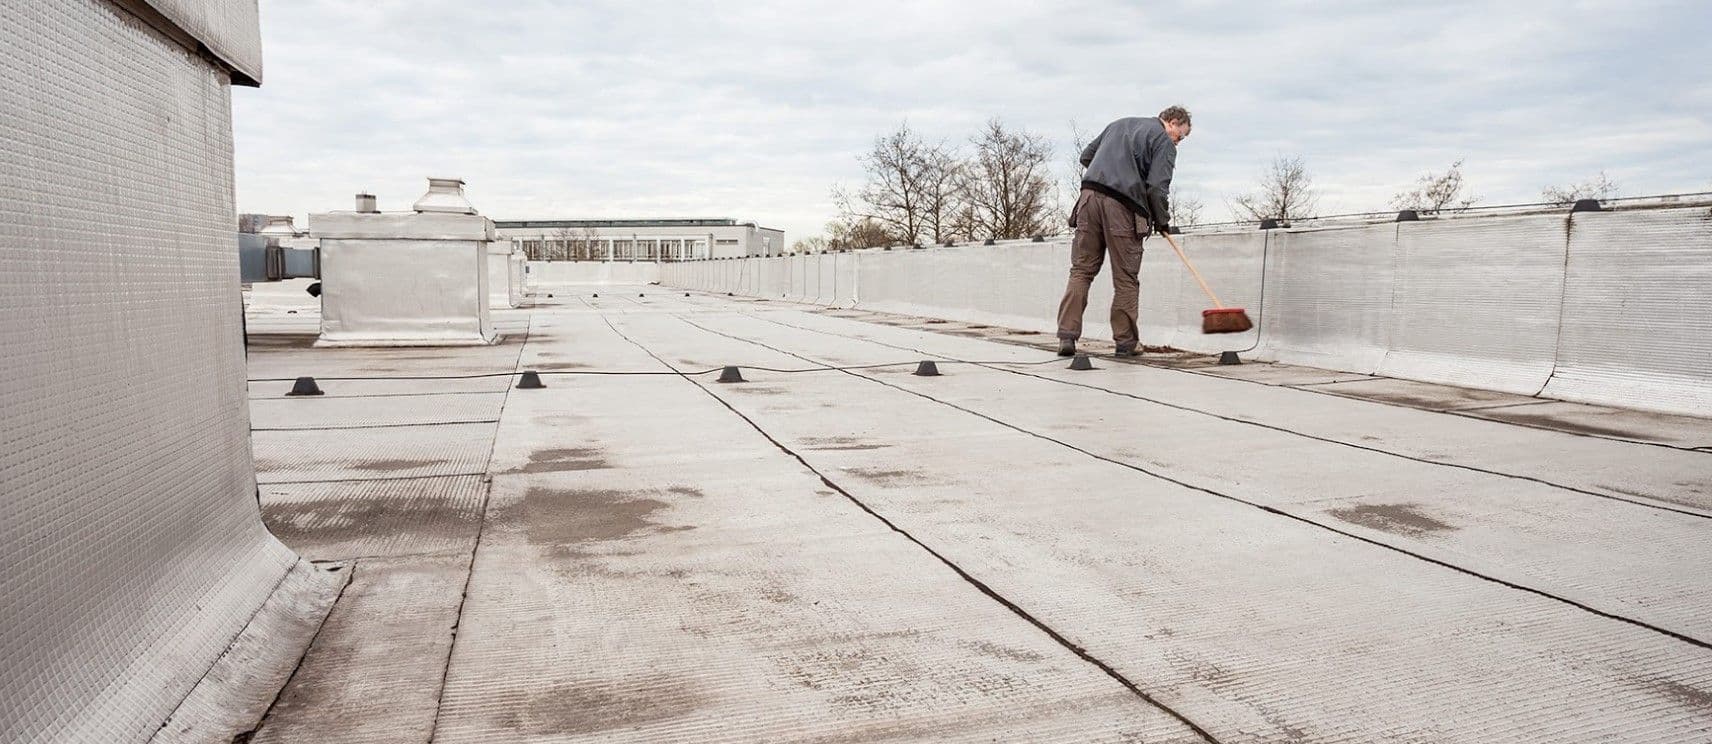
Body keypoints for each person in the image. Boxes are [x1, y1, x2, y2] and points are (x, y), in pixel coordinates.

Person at [1055, 106, 1191, 357]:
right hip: (1124, 208)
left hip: (1088, 199)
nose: (1178, 143)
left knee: (1081, 271)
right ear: (1172, 122)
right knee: (1126, 278)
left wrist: (1109, 171)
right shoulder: (1163, 141)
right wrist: (1162, 220)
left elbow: (1086, 157)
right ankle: (1126, 342)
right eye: (1180, 136)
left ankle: (1066, 336)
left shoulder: (1118, 124)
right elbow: (1156, 188)